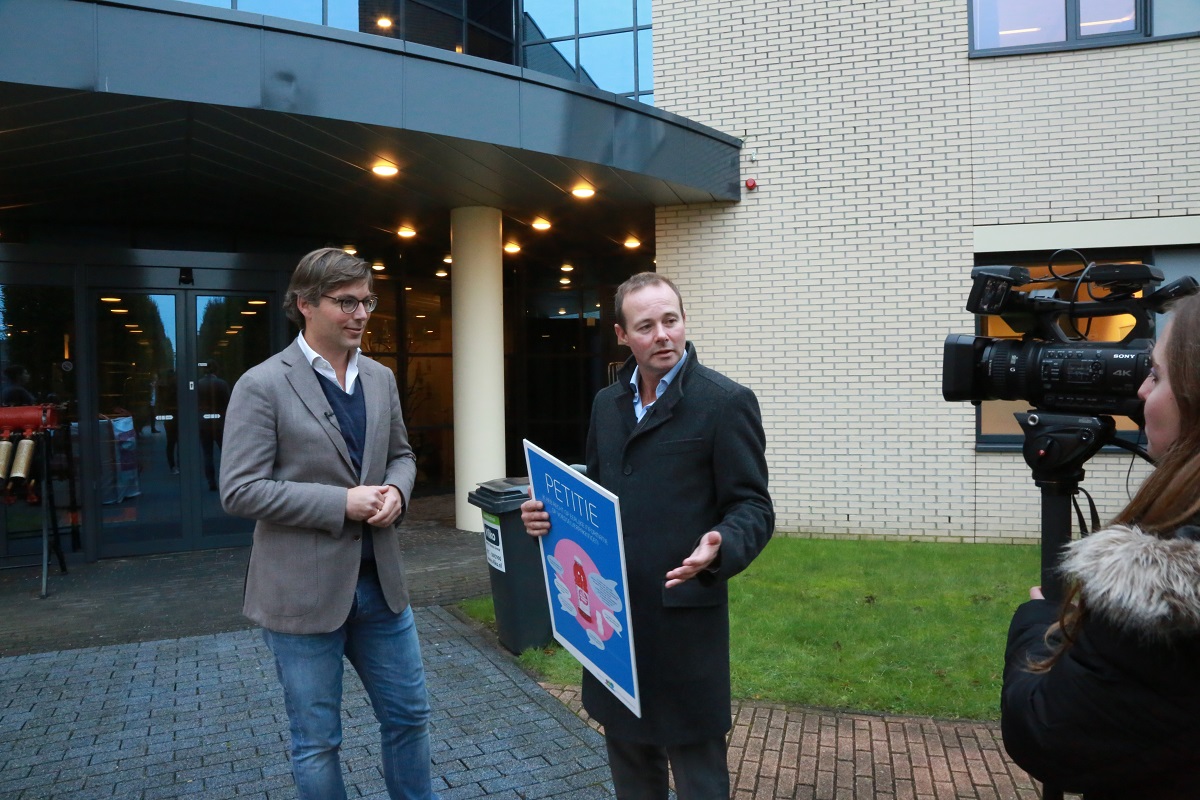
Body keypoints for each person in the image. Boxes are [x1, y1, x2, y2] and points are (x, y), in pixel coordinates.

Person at [521, 272, 774, 799]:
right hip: (612, 621)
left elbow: (753, 505)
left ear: (683, 321)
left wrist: (722, 543)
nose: (662, 335)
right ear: (622, 335)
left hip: (683, 621)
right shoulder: (605, 405)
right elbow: (596, 495)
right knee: (632, 773)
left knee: (699, 776)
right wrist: (549, 518)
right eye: (646, 326)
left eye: (671, 320)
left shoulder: (725, 401)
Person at [220, 248, 435, 800]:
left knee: (410, 718)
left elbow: (402, 455)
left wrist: (397, 491)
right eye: (346, 302)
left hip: (381, 588)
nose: (361, 314)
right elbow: (240, 489)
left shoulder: (381, 378)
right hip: (302, 594)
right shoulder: (261, 384)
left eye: (367, 301)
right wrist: (341, 503)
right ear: (305, 304)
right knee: (318, 742)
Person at [1001, 292, 1200, 798]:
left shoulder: (1167, 588)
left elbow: (1054, 733)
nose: (1139, 390)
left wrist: (1037, 624)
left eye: (1156, 375)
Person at [196, 364, 230, 490]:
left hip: (204, 422)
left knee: (207, 454)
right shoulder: (222, 384)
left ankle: (211, 482)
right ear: (216, 370)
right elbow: (229, 403)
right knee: (225, 453)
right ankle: (226, 480)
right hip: (220, 422)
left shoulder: (198, 384)